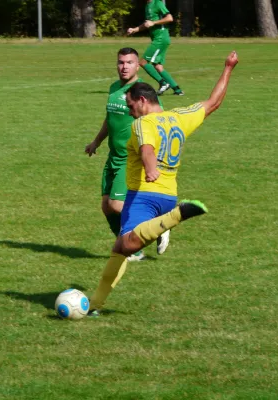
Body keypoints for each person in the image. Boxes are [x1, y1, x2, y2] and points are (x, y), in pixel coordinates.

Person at [88, 51, 239, 316]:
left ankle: (177, 216)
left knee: (127, 245)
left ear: (143, 101)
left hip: (144, 195)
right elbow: (213, 103)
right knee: (118, 250)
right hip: (167, 195)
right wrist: (228, 68)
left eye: (131, 105)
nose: (130, 110)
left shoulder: (143, 123)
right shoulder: (179, 117)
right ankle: (96, 306)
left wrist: (150, 169)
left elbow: (146, 147)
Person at [85, 47, 170, 263]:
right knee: (106, 206)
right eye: (121, 62)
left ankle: (158, 224)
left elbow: (159, 118)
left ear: (137, 65)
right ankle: (133, 249)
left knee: (116, 204)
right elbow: (110, 119)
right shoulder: (114, 88)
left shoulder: (142, 91)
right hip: (113, 156)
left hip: (131, 157)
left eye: (129, 62)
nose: (124, 67)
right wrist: (96, 141)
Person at [127, 0, 184, 96]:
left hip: (160, 38)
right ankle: (177, 90)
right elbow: (147, 24)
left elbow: (169, 18)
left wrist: (154, 22)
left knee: (143, 62)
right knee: (158, 66)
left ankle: (163, 83)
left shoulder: (157, 3)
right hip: (159, 39)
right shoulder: (147, 5)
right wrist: (134, 29)